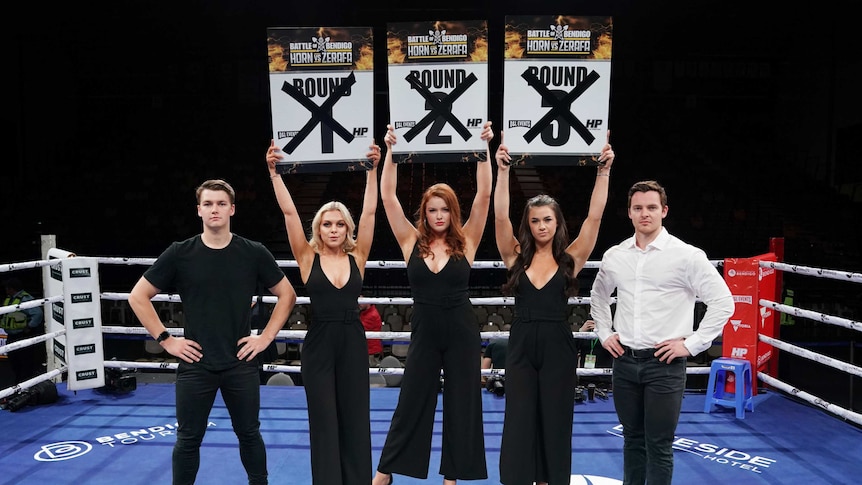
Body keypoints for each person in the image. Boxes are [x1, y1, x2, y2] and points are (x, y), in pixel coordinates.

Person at [128, 179, 297, 485]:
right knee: (188, 439)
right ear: (199, 210)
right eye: (208, 204)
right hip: (196, 363)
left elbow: (288, 294)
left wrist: (266, 337)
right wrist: (166, 340)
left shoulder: (253, 252)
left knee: (249, 434)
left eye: (221, 203)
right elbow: (137, 296)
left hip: (240, 362)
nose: (214, 209)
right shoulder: (180, 253)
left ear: (232, 209)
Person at [372, 121, 494, 485]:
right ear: (424, 214)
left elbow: (484, 196)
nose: (438, 216)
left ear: (452, 212)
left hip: (461, 330)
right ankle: (385, 471)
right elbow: (388, 198)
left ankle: (452, 476)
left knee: (462, 403)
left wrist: (485, 148)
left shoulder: (468, 240)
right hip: (424, 330)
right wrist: (391, 152)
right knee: (411, 400)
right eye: (431, 210)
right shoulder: (410, 241)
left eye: (444, 210)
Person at [590, 180, 735, 485]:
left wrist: (692, 344)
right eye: (638, 208)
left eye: (652, 207)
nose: (645, 214)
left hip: (665, 365)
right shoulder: (616, 255)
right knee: (632, 439)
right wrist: (605, 332)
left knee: (658, 445)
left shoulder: (687, 255)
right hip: (625, 363)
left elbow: (723, 302)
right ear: (629, 213)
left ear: (664, 211)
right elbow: (599, 297)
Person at [494, 130, 615, 484]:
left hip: (557, 343)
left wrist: (603, 171)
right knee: (519, 416)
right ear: (528, 225)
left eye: (547, 219)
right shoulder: (514, 255)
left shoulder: (570, 259)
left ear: (557, 222)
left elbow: (594, 219)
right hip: (521, 342)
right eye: (535, 220)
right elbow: (500, 219)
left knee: (556, 416)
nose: (542, 225)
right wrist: (503, 171)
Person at [266, 138, 381, 485]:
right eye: (327, 224)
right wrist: (274, 173)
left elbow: (371, 212)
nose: (333, 229)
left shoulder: (358, 255)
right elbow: (289, 213)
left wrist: (372, 171)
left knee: (355, 418)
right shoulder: (306, 257)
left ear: (347, 228)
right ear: (318, 228)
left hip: (352, 341)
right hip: (318, 344)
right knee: (324, 420)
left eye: (339, 224)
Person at [1, 277, 46, 384]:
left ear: (11, 289)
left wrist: (29, 327)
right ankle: (18, 383)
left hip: (22, 335)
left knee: (25, 361)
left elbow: (38, 313)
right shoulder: (10, 299)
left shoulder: (25, 299)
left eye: (7, 288)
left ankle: (25, 385)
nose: (6, 290)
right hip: (11, 336)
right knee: (14, 361)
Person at [576, 318, 614, 389]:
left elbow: (613, 349)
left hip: (604, 380)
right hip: (585, 379)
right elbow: (573, 349)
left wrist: (602, 332)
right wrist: (580, 332)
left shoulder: (609, 334)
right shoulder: (585, 334)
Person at [359, 296, 384, 367]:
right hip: (368, 349)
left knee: (371, 374)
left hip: (371, 351)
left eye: (362, 301)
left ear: (368, 301)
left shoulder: (372, 315)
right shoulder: (364, 313)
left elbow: (360, 329)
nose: (359, 303)